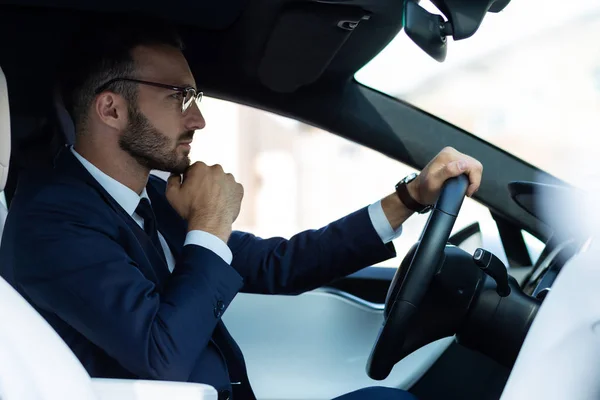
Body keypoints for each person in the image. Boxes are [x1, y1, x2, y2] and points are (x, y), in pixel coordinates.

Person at [0, 18, 482, 400]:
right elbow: (160, 355)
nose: (199, 118)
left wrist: (409, 198)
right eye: (179, 97)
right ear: (111, 109)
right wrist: (210, 224)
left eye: (195, 96)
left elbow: (281, 265)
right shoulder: (52, 221)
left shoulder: (152, 200)